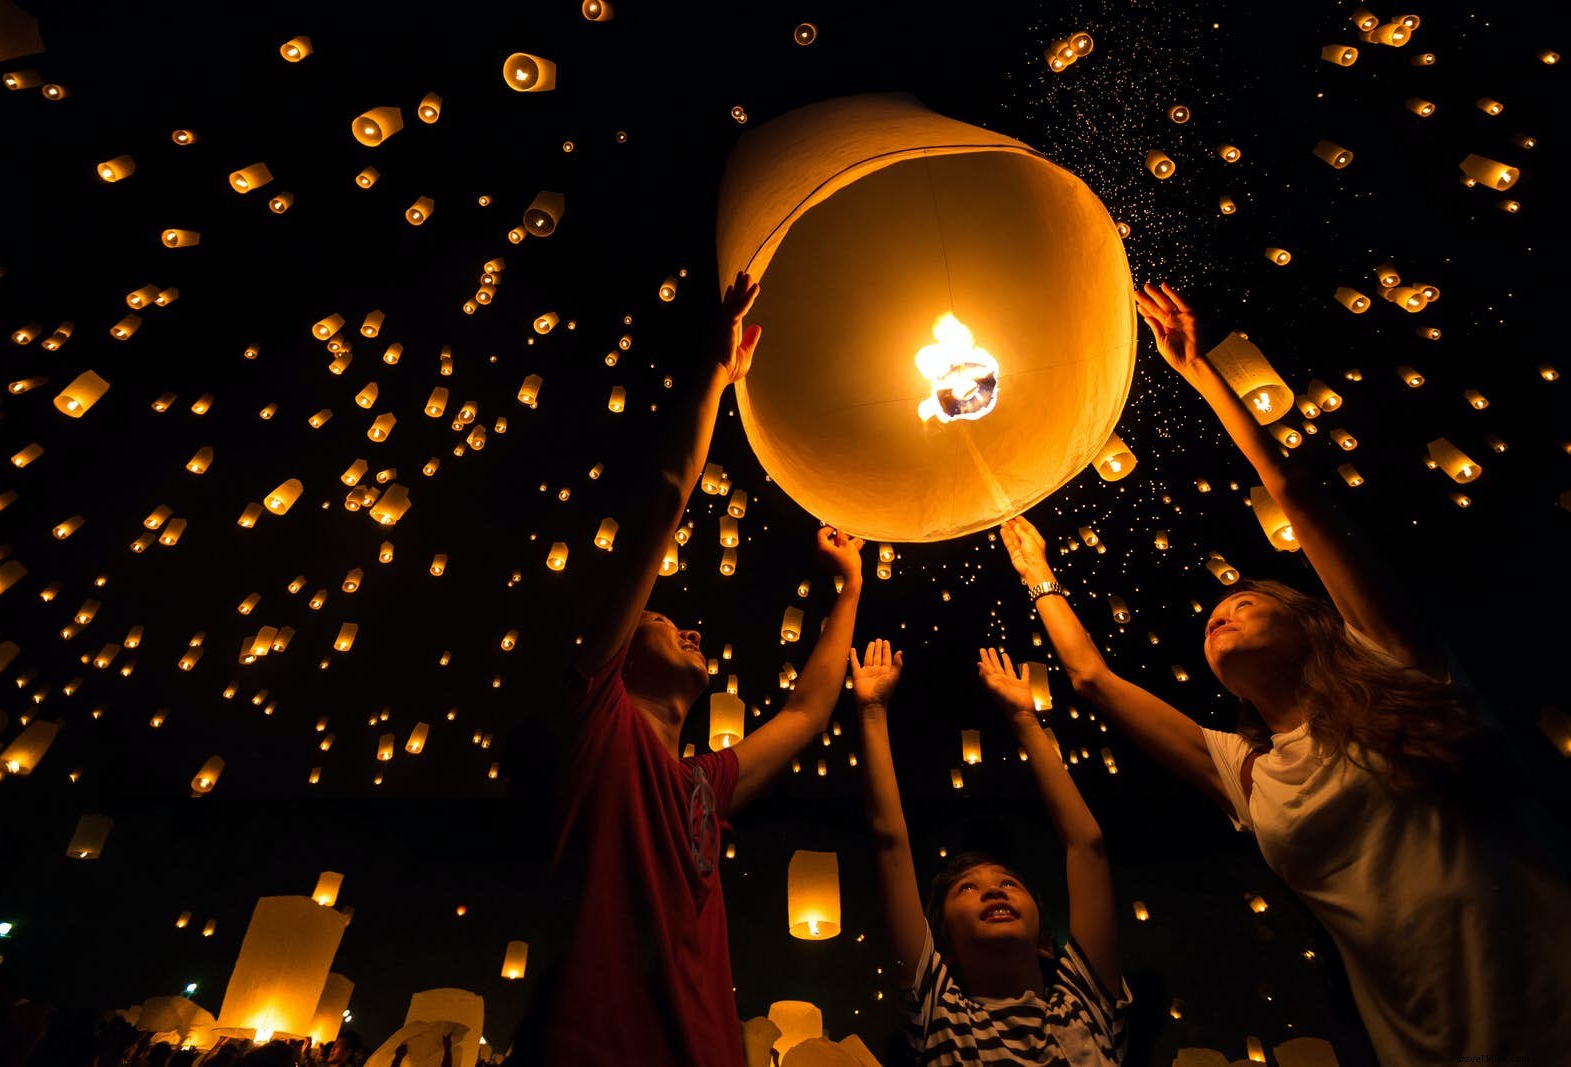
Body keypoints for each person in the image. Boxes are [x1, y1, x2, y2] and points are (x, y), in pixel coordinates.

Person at [995, 282, 1571, 1066]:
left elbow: (1296, 497)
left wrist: (1201, 372)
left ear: (1309, 619)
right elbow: (1092, 677)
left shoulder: (1397, 663)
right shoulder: (1247, 768)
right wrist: (1037, 572)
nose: (1217, 613)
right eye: (1211, 618)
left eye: (1243, 598)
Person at [515, 272, 868, 1066]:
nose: (690, 625)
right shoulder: (595, 720)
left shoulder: (702, 785)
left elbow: (808, 713)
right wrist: (715, 375)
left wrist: (849, 590)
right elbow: (668, 496)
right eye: (664, 619)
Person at [851, 639, 1129, 1065]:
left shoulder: (1085, 1006)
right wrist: (871, 713)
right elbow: (891, 841)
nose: (993, 891)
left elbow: (1087, 847)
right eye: (966, 889)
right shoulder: (939, 1014)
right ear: (942, 949)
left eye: (1008, 883)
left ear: (1045, 943)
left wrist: (1025, 720)